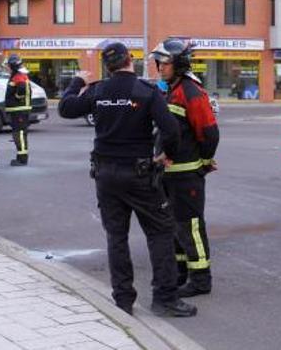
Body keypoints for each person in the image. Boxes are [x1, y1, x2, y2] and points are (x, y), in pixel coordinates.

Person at [58, 42, 197, 318]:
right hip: (139, 174)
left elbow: (66, 108)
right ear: (130, 60)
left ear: (108, 67)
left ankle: (123, 300)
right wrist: (165, 154)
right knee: (160, 232)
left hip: (105, 174)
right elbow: (170, 129)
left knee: (116, 237)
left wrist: (77, 81)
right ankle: (165, 298)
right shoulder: (145, 91)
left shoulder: (98, 90)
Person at [150, 39, 220, 298]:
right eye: (158, 63)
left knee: (190, 226)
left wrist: (203, 162)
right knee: (176, 226)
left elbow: (210, 133)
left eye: (164, 63)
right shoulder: (172, 88)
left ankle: (201, 280)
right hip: (170, 174)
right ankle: (181, 272)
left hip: (186, 173)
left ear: (178, 64)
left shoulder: (190, 91)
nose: (160, 68)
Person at [5, 54, 32, 167]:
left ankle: (22, 159)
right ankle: (20, 157)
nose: (8, 67)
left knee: (19, 134)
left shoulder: (18, 76)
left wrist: (16, 98)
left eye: (9, 66)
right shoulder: (17, 75)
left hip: (19, 110)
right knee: (19, 134)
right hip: (18, 110)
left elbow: (21, 89)